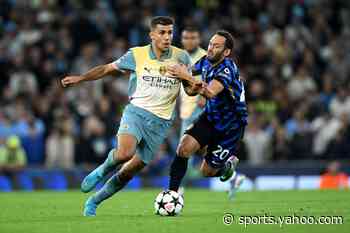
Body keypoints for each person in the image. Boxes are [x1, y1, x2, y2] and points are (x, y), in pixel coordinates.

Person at [61, 16, 201, 216]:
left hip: (161, 123)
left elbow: (191, 91)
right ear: (152, 34)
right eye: (162, 32)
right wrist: (81, 78)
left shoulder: (182, 58)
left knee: (128, 172)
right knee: (125, 153)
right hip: (136, 113)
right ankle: (101, 170)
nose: (167, 37)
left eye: (170, 32)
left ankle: (94, 201)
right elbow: (106, 69)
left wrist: (184, 76)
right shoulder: (136, 55)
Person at [166, 30, 248, 195]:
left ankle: (226, 166)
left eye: (216, 46)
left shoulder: (227, 68)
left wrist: (186, 76)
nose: (210, 48)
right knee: (183, 148)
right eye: (210, 44)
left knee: (206, 171)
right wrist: (182, 77)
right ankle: (171, 193)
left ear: (226, 52)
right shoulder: (204, 62)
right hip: (210, 117)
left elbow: (210, 92)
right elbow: (191, 90)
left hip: (231, 126)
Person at [178, 27, 207, 187]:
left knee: (184, 147)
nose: (190, 41)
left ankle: (180, 186)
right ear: (182, 39)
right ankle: (231, 173)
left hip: (199, 108)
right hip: (185, 110)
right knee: (200, 147)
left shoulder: (205, 56)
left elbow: (214, 77)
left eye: (193, 37)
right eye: (186, 38)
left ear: (199, 39)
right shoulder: (180, 56)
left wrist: (203, 96)